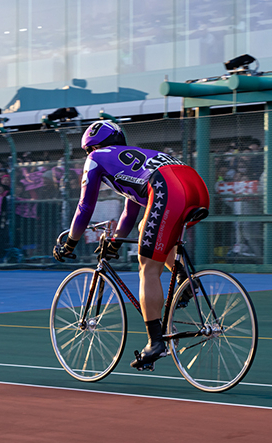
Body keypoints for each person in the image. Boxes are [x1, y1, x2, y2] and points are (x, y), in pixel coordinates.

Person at [52, 121, 209, 369]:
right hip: (195, 185)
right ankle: (185, 279)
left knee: (147, 267)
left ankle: (156, 342)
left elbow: (85, 206)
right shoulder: (132, 159)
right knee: (148, 231)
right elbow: (130, 211)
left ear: (90, 146)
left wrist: (70, 242)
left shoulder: (96, 157)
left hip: (165, 187)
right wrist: (115, 242)